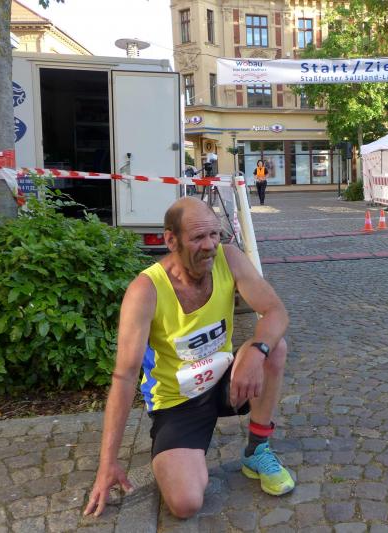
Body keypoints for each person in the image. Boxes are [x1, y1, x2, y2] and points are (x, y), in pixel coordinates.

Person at [84, 197, 293, 520]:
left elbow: (276, 311)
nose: (209, 245)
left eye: (214, 234)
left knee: (274, 348)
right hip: (177, 402)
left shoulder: (229, 259)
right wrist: (107, 463)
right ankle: (180, 454)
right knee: (185, 503)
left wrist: (255, 351)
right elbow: (124, 377)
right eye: (197, 237)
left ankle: (257, 449)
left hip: (226, 381)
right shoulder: (146, 290)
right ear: (171, 240)